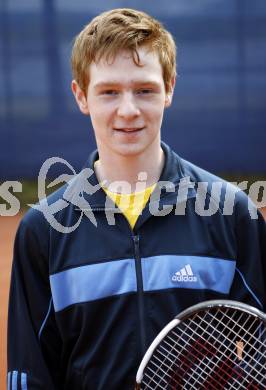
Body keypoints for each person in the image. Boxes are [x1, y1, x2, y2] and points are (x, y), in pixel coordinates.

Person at [7, 8, 266, 390]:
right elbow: (30, 376)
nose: (128, 110)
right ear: (81, 96)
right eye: (109, 92)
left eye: (144, 90)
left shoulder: (232, 214)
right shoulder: (44, 230)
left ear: (170, 89)